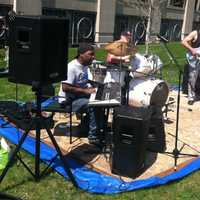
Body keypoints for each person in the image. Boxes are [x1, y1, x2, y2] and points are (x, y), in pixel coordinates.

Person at [58, 43, 104, 146]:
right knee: (94, 105)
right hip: (68, 101)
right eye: (90, 54)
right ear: (81, 54)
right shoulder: (71, 67)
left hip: (78, 96)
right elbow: (65, 87)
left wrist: (93, 84)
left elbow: (82, 80)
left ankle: (86, 127)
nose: (93, 57)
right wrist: (85, 91)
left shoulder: (84, 66)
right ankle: (93, 137)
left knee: (101, 100)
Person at [181, 30, 200, 105]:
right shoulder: (195, 33)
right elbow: (183, 42)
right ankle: (191, 97)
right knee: (193, 78)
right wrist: (192, 50)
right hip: (195, 58)